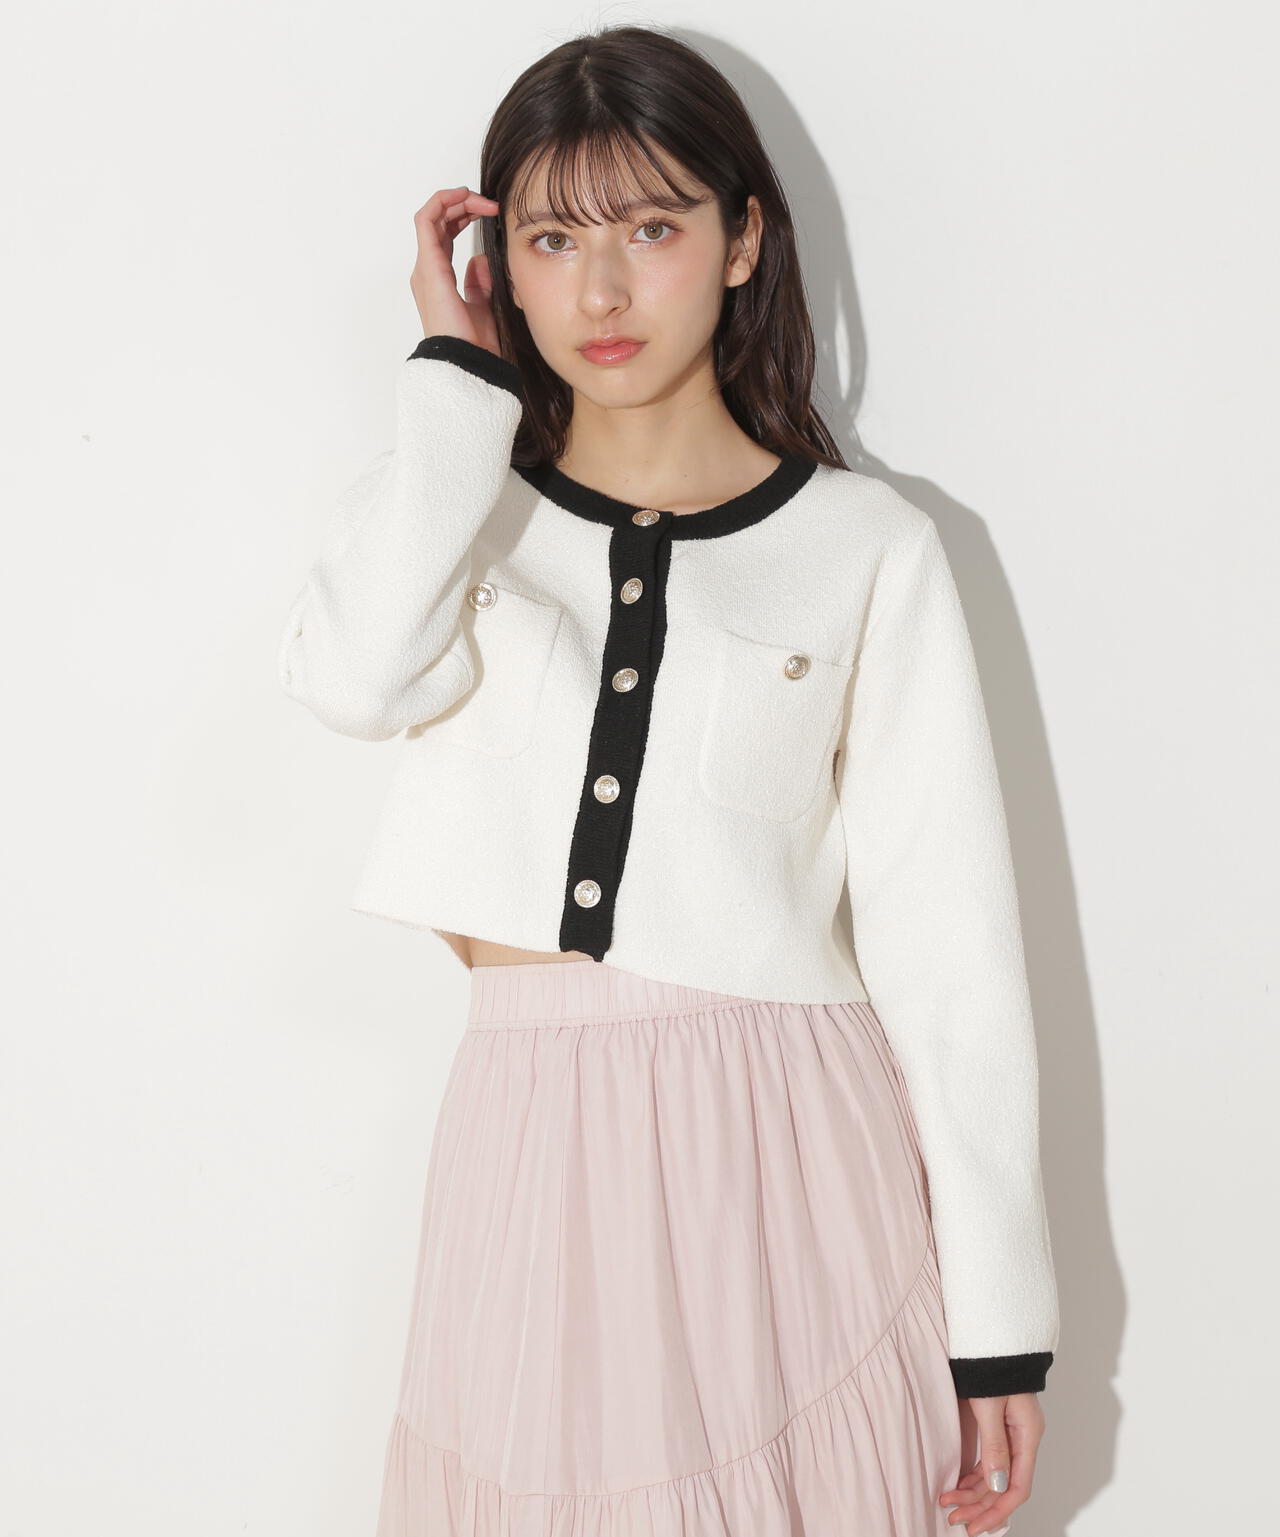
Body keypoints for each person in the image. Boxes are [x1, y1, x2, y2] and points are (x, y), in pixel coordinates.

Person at [277, 24, 1059, 1537]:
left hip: (792, 1146)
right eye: (553, 239)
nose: (604, 291)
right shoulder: (455, 507)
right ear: (498, 264)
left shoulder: (872, 549)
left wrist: (1000, 1325)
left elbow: (951, 955)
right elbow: (353, 682)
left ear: (743, 238)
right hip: (528, 1132)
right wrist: (454, 378)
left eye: (652, 228)